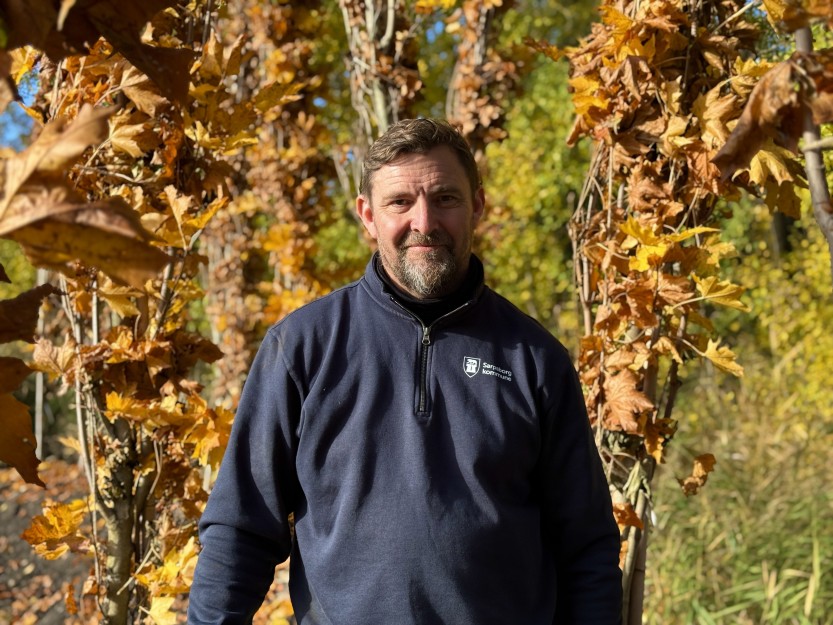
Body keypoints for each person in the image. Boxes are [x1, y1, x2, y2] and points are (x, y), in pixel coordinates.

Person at [187, 118, 622, 624]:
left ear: (477, 205)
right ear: (368, 216)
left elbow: (585, 546)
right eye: (400, 202)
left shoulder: (534, 359)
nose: (424, 221)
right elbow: (240, 529)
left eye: (446, 198)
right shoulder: (303, 347)